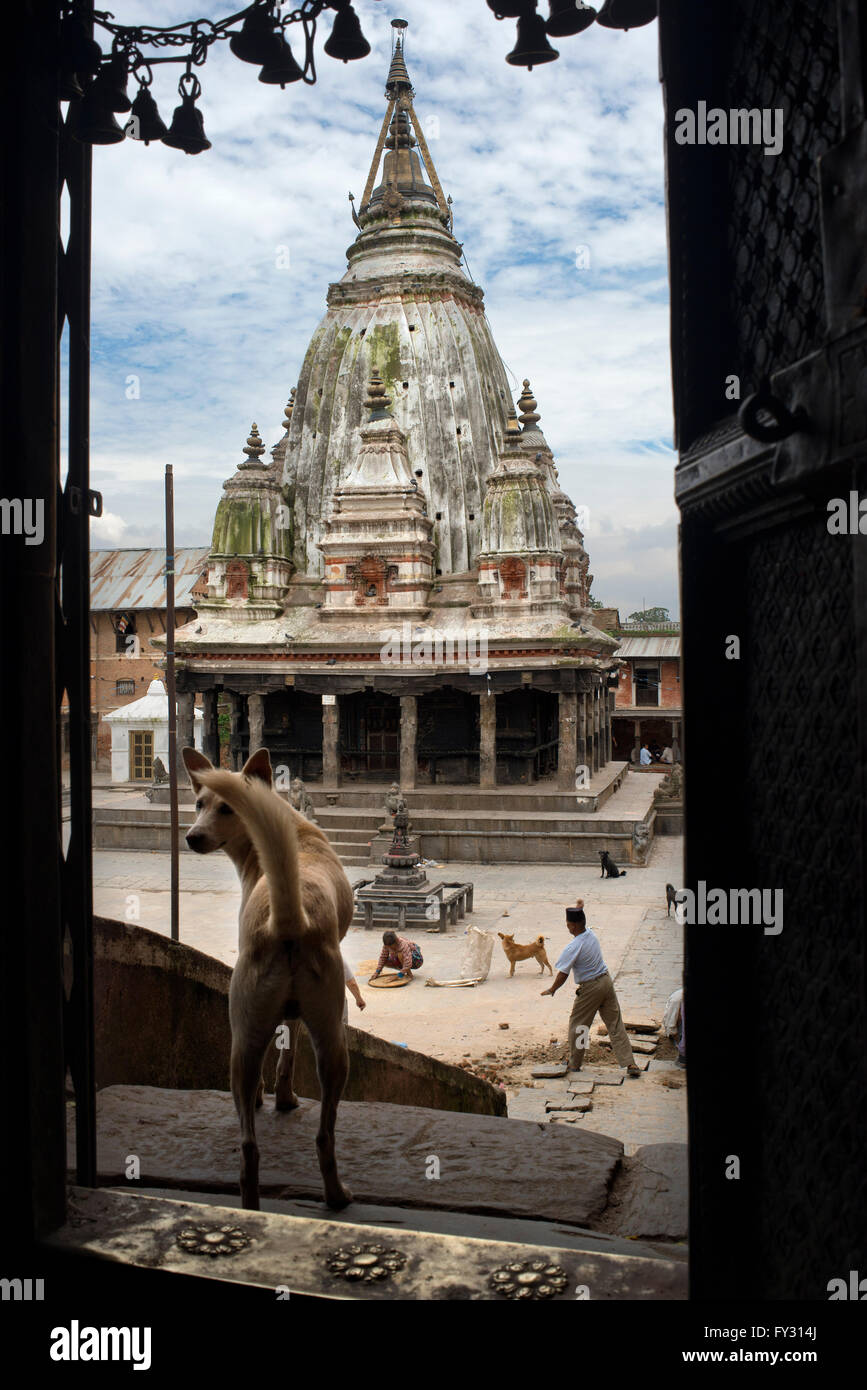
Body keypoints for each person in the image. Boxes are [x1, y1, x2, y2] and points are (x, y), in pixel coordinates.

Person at [541, 901, 641, 1076]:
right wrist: (580, 907)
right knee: (615, 1024)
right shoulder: (591, 934)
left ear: (573, 925)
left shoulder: (573, 946)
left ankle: (575, 1063)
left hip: (590, 988)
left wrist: (552, 989)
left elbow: (563, 973)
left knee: (579, 1025)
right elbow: (582, 920)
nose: (567, 928)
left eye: (568, 925)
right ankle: (630, 1063)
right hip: (606, 981)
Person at [341, 951, 366, 1024]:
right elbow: (351, 983)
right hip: (336, 1003)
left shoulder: (306, 956)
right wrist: (359, 999)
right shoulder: (338, 957)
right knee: (341, 1030)